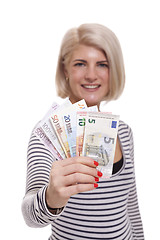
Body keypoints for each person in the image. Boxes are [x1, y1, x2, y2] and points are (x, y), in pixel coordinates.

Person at [22, 23, 145, 239]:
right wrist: (51, 198)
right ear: (65, 70)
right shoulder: (48, 133)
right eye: (80, 64)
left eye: (102, 65)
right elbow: (30, 215)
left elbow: (130, 205)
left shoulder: (124, 132)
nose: (91, 75)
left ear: (112, 71)